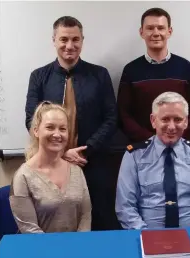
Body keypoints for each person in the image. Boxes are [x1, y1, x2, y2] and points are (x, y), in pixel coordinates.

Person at [25, 16, 117, 230]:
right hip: (50, 166)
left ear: (82, 40)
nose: (70, 45)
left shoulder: (100, 75)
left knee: (99, 223)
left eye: (75, 39)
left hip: (93, 163)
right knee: (57, 225)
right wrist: (61, 153)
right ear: (54, 40)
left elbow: (111, 118)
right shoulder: (39, 77)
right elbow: (32, 120)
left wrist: (85, 151)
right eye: (64, 39)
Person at [116, 92, 190, 229]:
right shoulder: (134, 156)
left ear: (186, 122)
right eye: (165, 119)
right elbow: (125, 208)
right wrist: (148, 238)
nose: (171, 127)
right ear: (153, 121)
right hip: (146, 238)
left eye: (177, 119)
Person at [118, 7, 190, 143]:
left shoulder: (185, 67)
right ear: (141, 32)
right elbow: (123, 115)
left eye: (160, 28)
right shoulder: (130, 70)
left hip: (181, 146)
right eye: (150, 28)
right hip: (143, 149)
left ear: (169, 32)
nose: (156, 33)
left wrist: (176, 136)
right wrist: (151, 141)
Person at [10, 102, 91, 233]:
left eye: (62, 129)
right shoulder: (23, 177)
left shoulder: (76, 171)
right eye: (50, 127)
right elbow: (29, 229)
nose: (57, 134)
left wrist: (79, 245)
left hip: (76, 248)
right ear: (36, 131)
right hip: (40, 250)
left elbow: (85, 216)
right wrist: (56, 252)